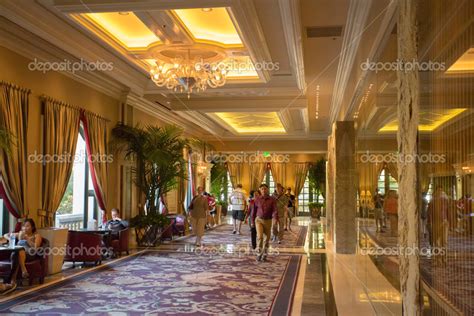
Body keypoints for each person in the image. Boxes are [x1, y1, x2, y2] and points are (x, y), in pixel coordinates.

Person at [252, 184, 278, 262]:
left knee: (267, 239)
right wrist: (252, 221)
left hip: (268, 221)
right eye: (262, 189)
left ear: (268, 190)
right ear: (260, 190)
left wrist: (275, 218)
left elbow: (275, 210)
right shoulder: (257, 199)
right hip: (258, 220)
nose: (264, 190)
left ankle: (265, 254)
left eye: (265, 189)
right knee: (260, 237)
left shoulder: (272, 199)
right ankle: (259, 254)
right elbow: (254, 211)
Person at [428, 187, 449, 263]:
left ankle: (444, 258)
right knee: (437, 241)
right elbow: (429, 213)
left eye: (441, 190)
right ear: (436, 192)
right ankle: (438, 258)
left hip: (444, 222)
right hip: (435, 222)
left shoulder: (445, 200)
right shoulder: (432, 201)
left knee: (444, 241)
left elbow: (448, 211)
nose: (440, 192)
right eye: (438, 191)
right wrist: (429, 223)